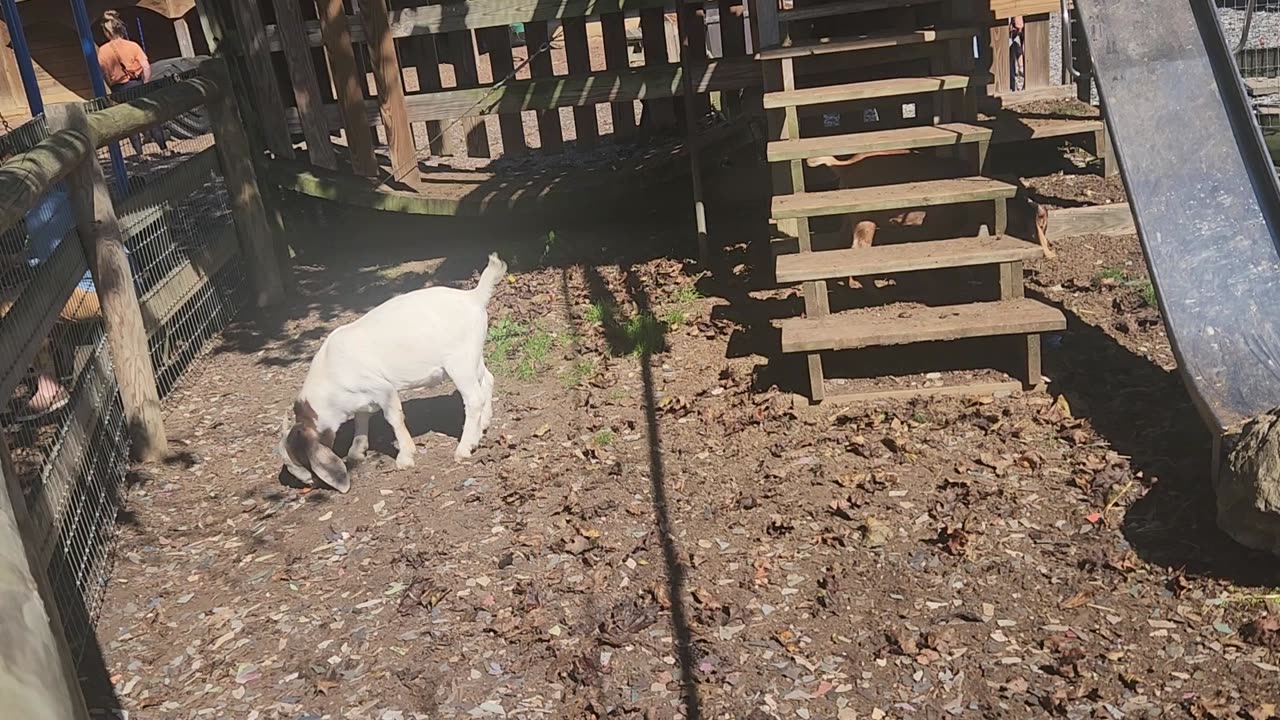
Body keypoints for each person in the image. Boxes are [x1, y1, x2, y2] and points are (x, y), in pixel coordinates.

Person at [96, 11, 169, 156]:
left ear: (106, 32)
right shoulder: (133, 46)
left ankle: (140, 155)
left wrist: (112, 85)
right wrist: (145, 82)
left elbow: (104, 74)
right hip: (137, 84)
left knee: (129, 121)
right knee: (151, 116)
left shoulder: (103, 51)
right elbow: (146, 66)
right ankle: (164, 149)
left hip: (119, 89)